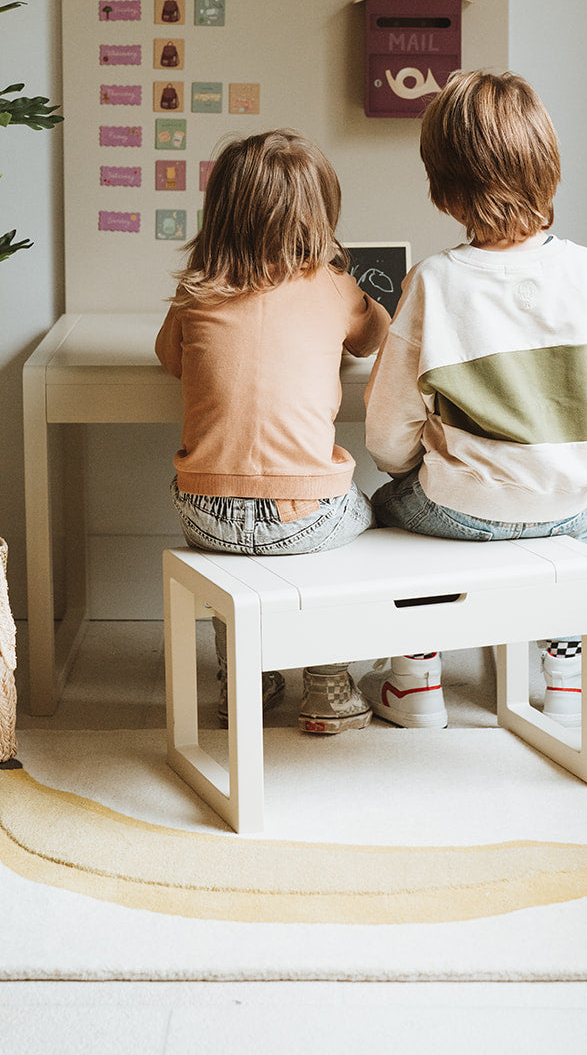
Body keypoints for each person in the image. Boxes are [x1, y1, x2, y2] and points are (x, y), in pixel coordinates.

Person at [364, 69, 587, 729]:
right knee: (575, 530)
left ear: (442, 186)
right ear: (546, 165)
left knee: (390, 514)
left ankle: (414, 681)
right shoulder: (585, 271)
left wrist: (404, 462)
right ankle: (569, 679)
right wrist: (558, 420)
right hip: (564, 507)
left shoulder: (435, 281)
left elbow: (388, 417)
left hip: (459, 506)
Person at [155, 128, 391, 734]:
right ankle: (329, 684)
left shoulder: (197, 291)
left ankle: (244, 683)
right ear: (319, 217)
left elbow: (170, 359)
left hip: (207, 512)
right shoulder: (336, 289)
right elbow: (374, 339)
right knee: (363, 516)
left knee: (231, 561)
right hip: (305, 517)